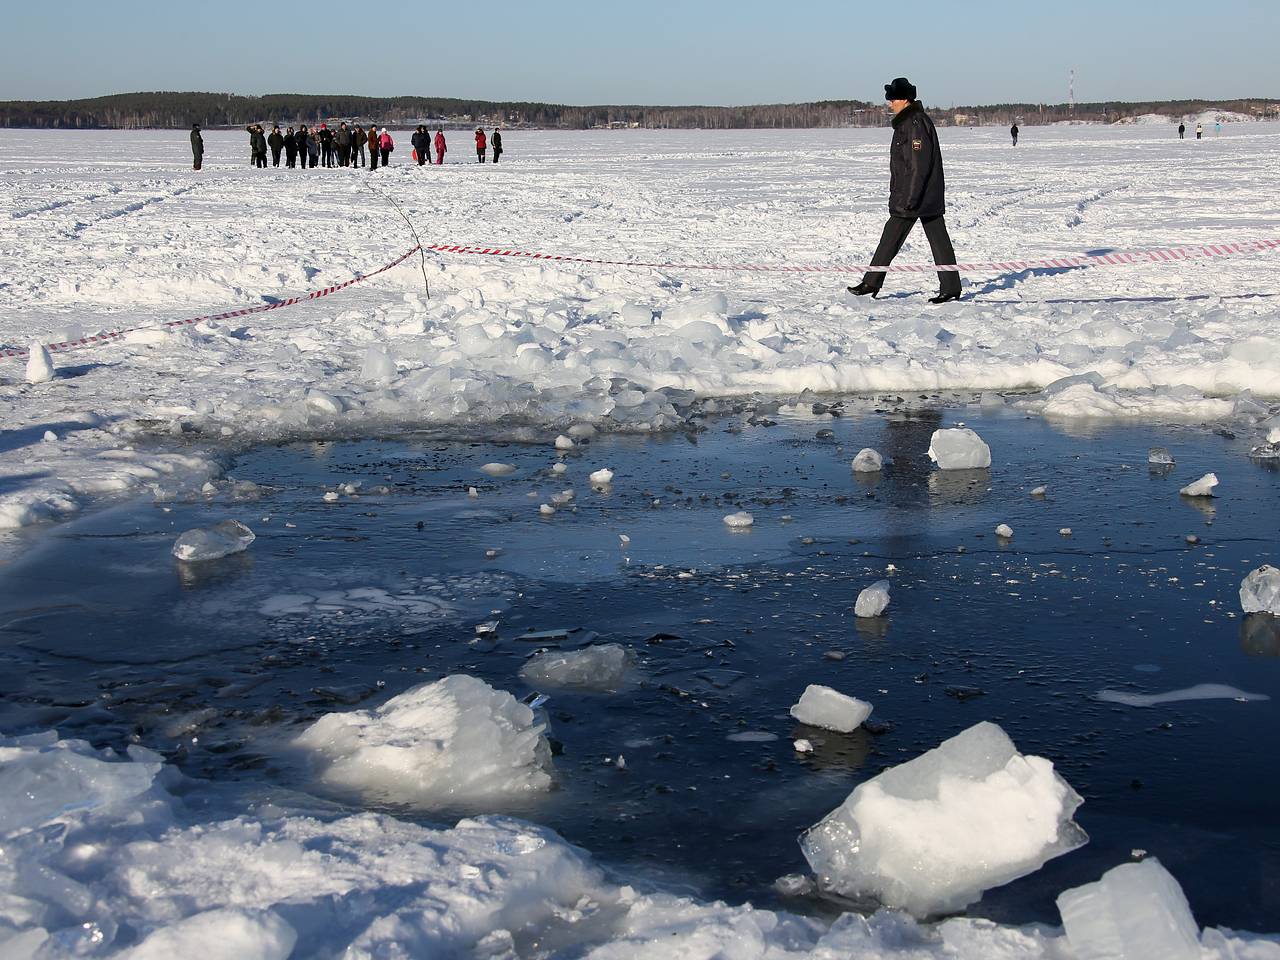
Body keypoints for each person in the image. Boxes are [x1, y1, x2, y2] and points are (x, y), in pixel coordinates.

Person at [847, 77, 962, 305]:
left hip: (917, 197)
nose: (891, 104)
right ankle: (949, 287)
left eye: (894, 99)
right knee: (917, 238)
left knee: (905, 237)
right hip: (920, 195)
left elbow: (918, 165)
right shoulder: (908, 122)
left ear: (905, 99)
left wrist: (910, 197)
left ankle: (873, 282)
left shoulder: (915, 124)